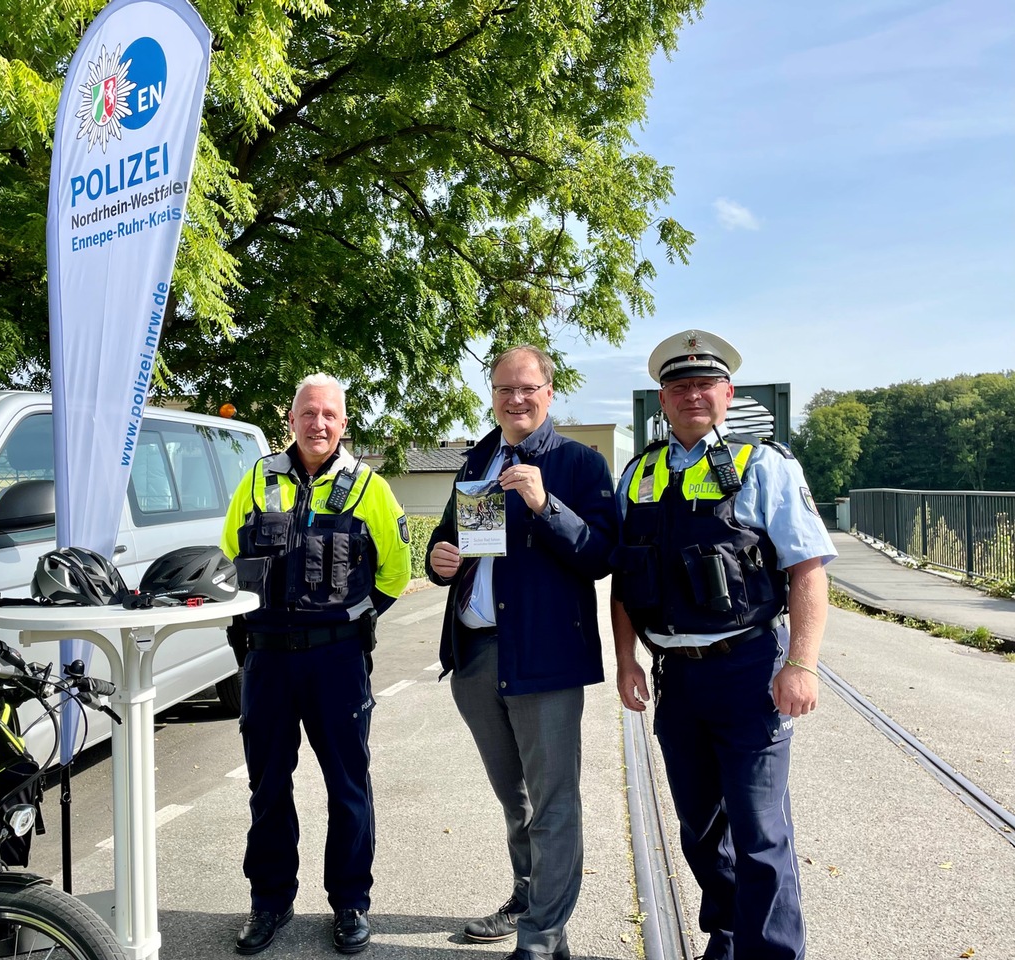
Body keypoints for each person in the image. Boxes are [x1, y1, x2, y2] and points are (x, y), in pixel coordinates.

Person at [610, 329, 836, 960]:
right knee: (702, 830)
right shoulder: (639, 473)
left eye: (705, 384)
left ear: (727, 393)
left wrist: (802, 664)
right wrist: (627, 657)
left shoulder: (762, 464)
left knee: (760, 831)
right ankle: (730, 937)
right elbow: (627, 580)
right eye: (679, 386)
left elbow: (807, 569)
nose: (692, 395)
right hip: (675, 678)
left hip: (747, 670)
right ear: (662, 397)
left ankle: (772, 953)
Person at [425, 345, 616, 960]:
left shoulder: (579, 464)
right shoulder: (476, 458)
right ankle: (530, 900)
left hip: (545, 659)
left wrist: (544, 505)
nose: (516, 399)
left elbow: (601, 556)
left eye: (527, 388)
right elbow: (447, 539)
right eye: (505, 389)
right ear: (494, 396)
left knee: (554, 802)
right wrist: (439, 560)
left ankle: (540, 939)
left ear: (549, 393)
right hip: (477, 655)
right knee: (517, 798)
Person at [221, 373, 412, 956]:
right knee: (267, 788)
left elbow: (396, 571)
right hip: (268, 662)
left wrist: (352, 620)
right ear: (292, 419)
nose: (319, 424)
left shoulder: (369, 488)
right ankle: (269, 903)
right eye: (309, 413)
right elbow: (232, 552)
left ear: (344, 423)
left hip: (336, 659)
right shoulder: (257, 479)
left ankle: (350, 903)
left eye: (330, 414)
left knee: (348, 787)